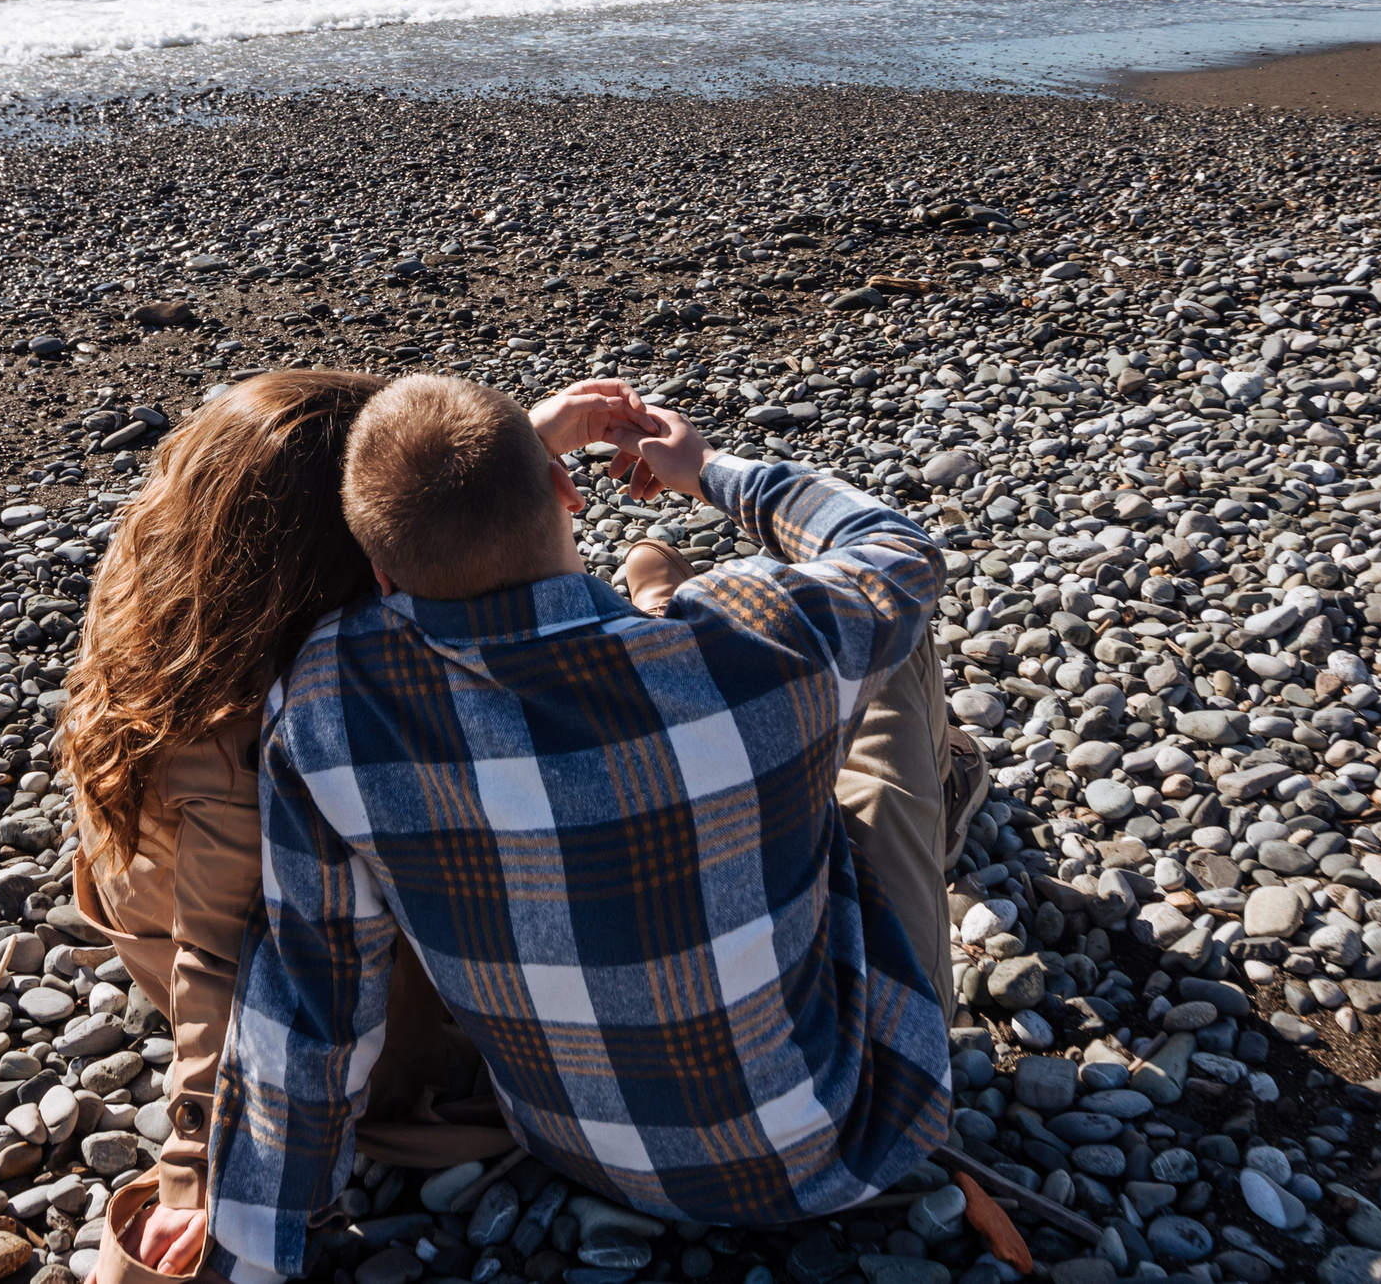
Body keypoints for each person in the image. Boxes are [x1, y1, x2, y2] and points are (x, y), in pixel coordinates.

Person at [191, 374, 985, 1284]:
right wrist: (708, 469)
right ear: (566, 492)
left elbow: (311, 992)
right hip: (854, 1137)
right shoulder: (759, 642)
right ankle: (930, 771)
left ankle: (653, 591)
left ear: (379, 576)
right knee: (889, 649)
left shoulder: (327, 701)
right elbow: (898, 550)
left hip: (580, 1150)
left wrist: (253, 1248)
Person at [61, 371, 516, 1284]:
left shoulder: (174, 615)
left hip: (147, 912)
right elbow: (217, 959)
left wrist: (522, 446)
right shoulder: (251, 736)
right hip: (325, 1033)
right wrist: (196, 1168)